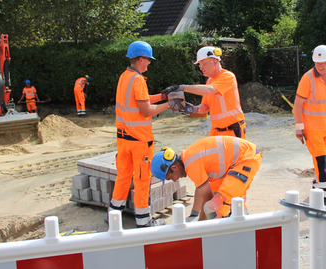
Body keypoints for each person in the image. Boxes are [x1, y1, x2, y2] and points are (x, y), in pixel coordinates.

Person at [162, 46, 247, 218]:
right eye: (199, 64)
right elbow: (204, 108)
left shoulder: (227, 77)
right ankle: (217, 210)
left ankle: (240, 210)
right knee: (213, 173)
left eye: (203, 64)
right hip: (217, 131)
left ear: (215, 62)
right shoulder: (209, 81)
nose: (200, 68)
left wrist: (182, 87)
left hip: (233, 130)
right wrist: (187, 108)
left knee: (234, 172)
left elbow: (210, 92)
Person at [107, 40, 183, 228]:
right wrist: (170, 103)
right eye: (148, 60)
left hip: (123, 139)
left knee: (123, 175)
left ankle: (113, 215)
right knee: (141, 179)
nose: (149, 63)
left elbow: (141, 100)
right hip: (139, 141)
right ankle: (143, 221)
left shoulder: (126, 76)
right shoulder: (138, 80)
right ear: (141, 59)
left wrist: (163, 96)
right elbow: (146, 110)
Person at [150, 136, 262, 220]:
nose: (175, 180)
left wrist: (200, 229)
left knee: (212, 206)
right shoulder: (189, 158)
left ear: (174, 167)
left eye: (170, 178)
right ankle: (241, 227)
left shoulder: (191, 164)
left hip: (246, 158)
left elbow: (207, 199)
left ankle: (232, 231)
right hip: (238, 162)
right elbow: (204, 193)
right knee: (224, 205)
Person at [294, 45, 326, 200]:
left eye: (324, 62)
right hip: (313, 129)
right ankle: (324, 194)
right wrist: (299, 128)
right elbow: (297, 106)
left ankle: (319, 185)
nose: (320, 65)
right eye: (317, 62)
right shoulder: (308, 78)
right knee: (322, 161)